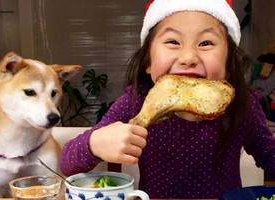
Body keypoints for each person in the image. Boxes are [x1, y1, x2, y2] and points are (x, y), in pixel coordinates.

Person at [59, 0, 275, 198]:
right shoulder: (135, 103)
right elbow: (66, 162)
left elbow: (270, 158)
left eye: (206, 43)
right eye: (172, 41)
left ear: (229, 65)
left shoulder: (243, 105)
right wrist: (93, 144)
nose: (188, 57)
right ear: (148, 63)